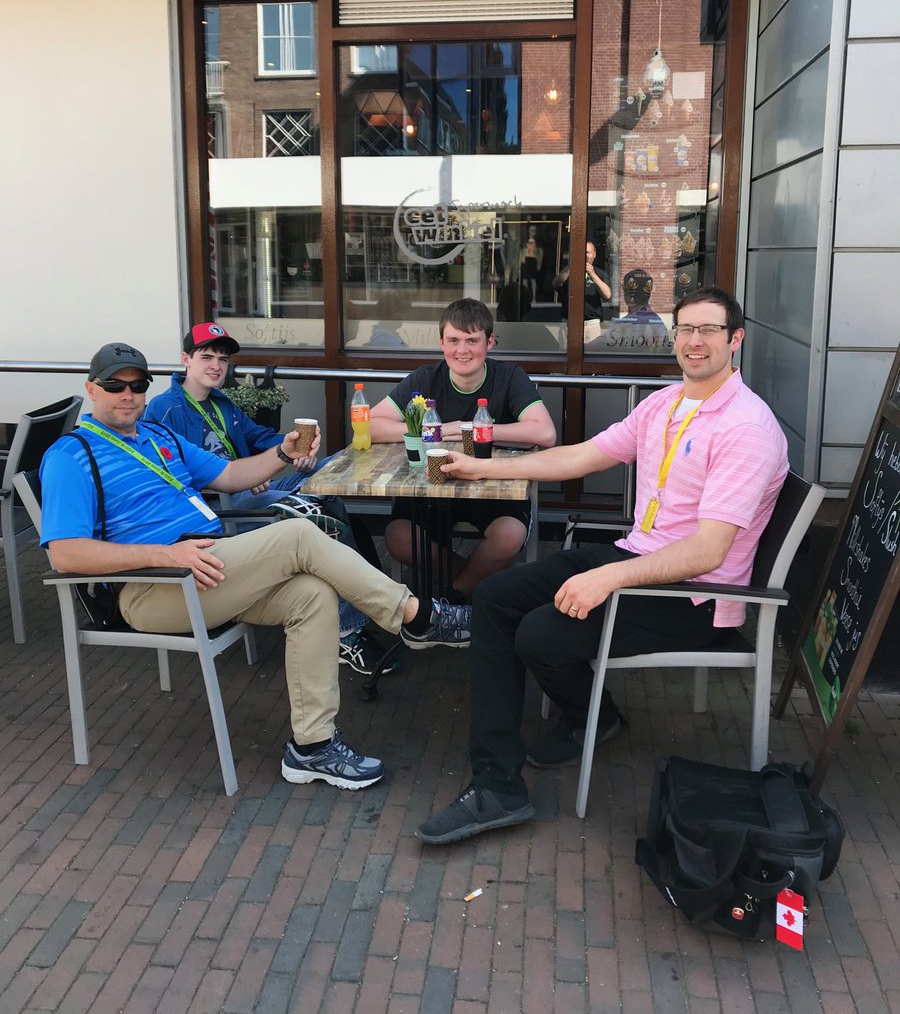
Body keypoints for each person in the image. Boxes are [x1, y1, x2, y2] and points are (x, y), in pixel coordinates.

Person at [415, 288, 788, 844]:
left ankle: (565, 732)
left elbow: (709, 552)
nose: (694, 341)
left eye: (709, 330)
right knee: (498, 597)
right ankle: (507, 775)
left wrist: (606, 577)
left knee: (540, 631)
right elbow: (581, 455)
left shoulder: (746, 429)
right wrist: (481, 470)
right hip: (640, 557)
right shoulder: (664, 405)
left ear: (735, 339)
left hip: (692, 595)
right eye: (685, 329)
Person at [40, 341, 419, 791]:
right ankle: (416, 617)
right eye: (114, 385)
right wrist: (164, 556)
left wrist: (283, 453)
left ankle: (312, 748)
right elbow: (64, 554)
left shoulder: (157, 436)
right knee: (299, 533)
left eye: (137, 384)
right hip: (150, 587)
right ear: (90, 388)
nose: (127, 394)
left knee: (312, 595)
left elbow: (231, 476)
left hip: (206, 567)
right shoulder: (70, 456)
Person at [145, 322, 390, 676]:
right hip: (217, 509)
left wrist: (293, 447)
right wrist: (240, 475)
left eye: (223, 359)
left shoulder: (221, 402)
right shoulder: (164, 411)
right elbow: (171, 478)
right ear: (186, 359)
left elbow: (262, 437)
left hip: (246, 491)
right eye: (207, 356)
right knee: (317, 515)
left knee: (326, 478)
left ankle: (361, 601)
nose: (216, 365)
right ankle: (348, 633)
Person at [369, 298, 557, 646]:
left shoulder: (508, 376)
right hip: (433, 488)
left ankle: (450, 599)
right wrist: (436, 431)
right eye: (454, 340)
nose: (463, 350)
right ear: (441, 343)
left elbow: (544, 433)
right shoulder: (426, 377)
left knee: (509, 536)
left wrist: (468, 427)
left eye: (472, 340)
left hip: (492, 484)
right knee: (397, 537)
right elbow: (372, 425)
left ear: (490, 343)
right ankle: (476, 596)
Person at [593, 268, 671, 353]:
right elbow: (666, 349)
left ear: (625, 291)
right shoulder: (657, 322)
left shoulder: (622, 325)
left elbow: (594, 348)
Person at [554, 241, 612, 342]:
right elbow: (555, 284)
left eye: (587, 252)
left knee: (592, 355)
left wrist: (592, 274)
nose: (583, 255)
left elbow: (607, 295)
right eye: (580, 252)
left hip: (590, 324)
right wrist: (570, 267)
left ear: (594, 254)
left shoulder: (600, 274)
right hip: (569, 323)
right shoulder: (568, 271)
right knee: (566, 355)